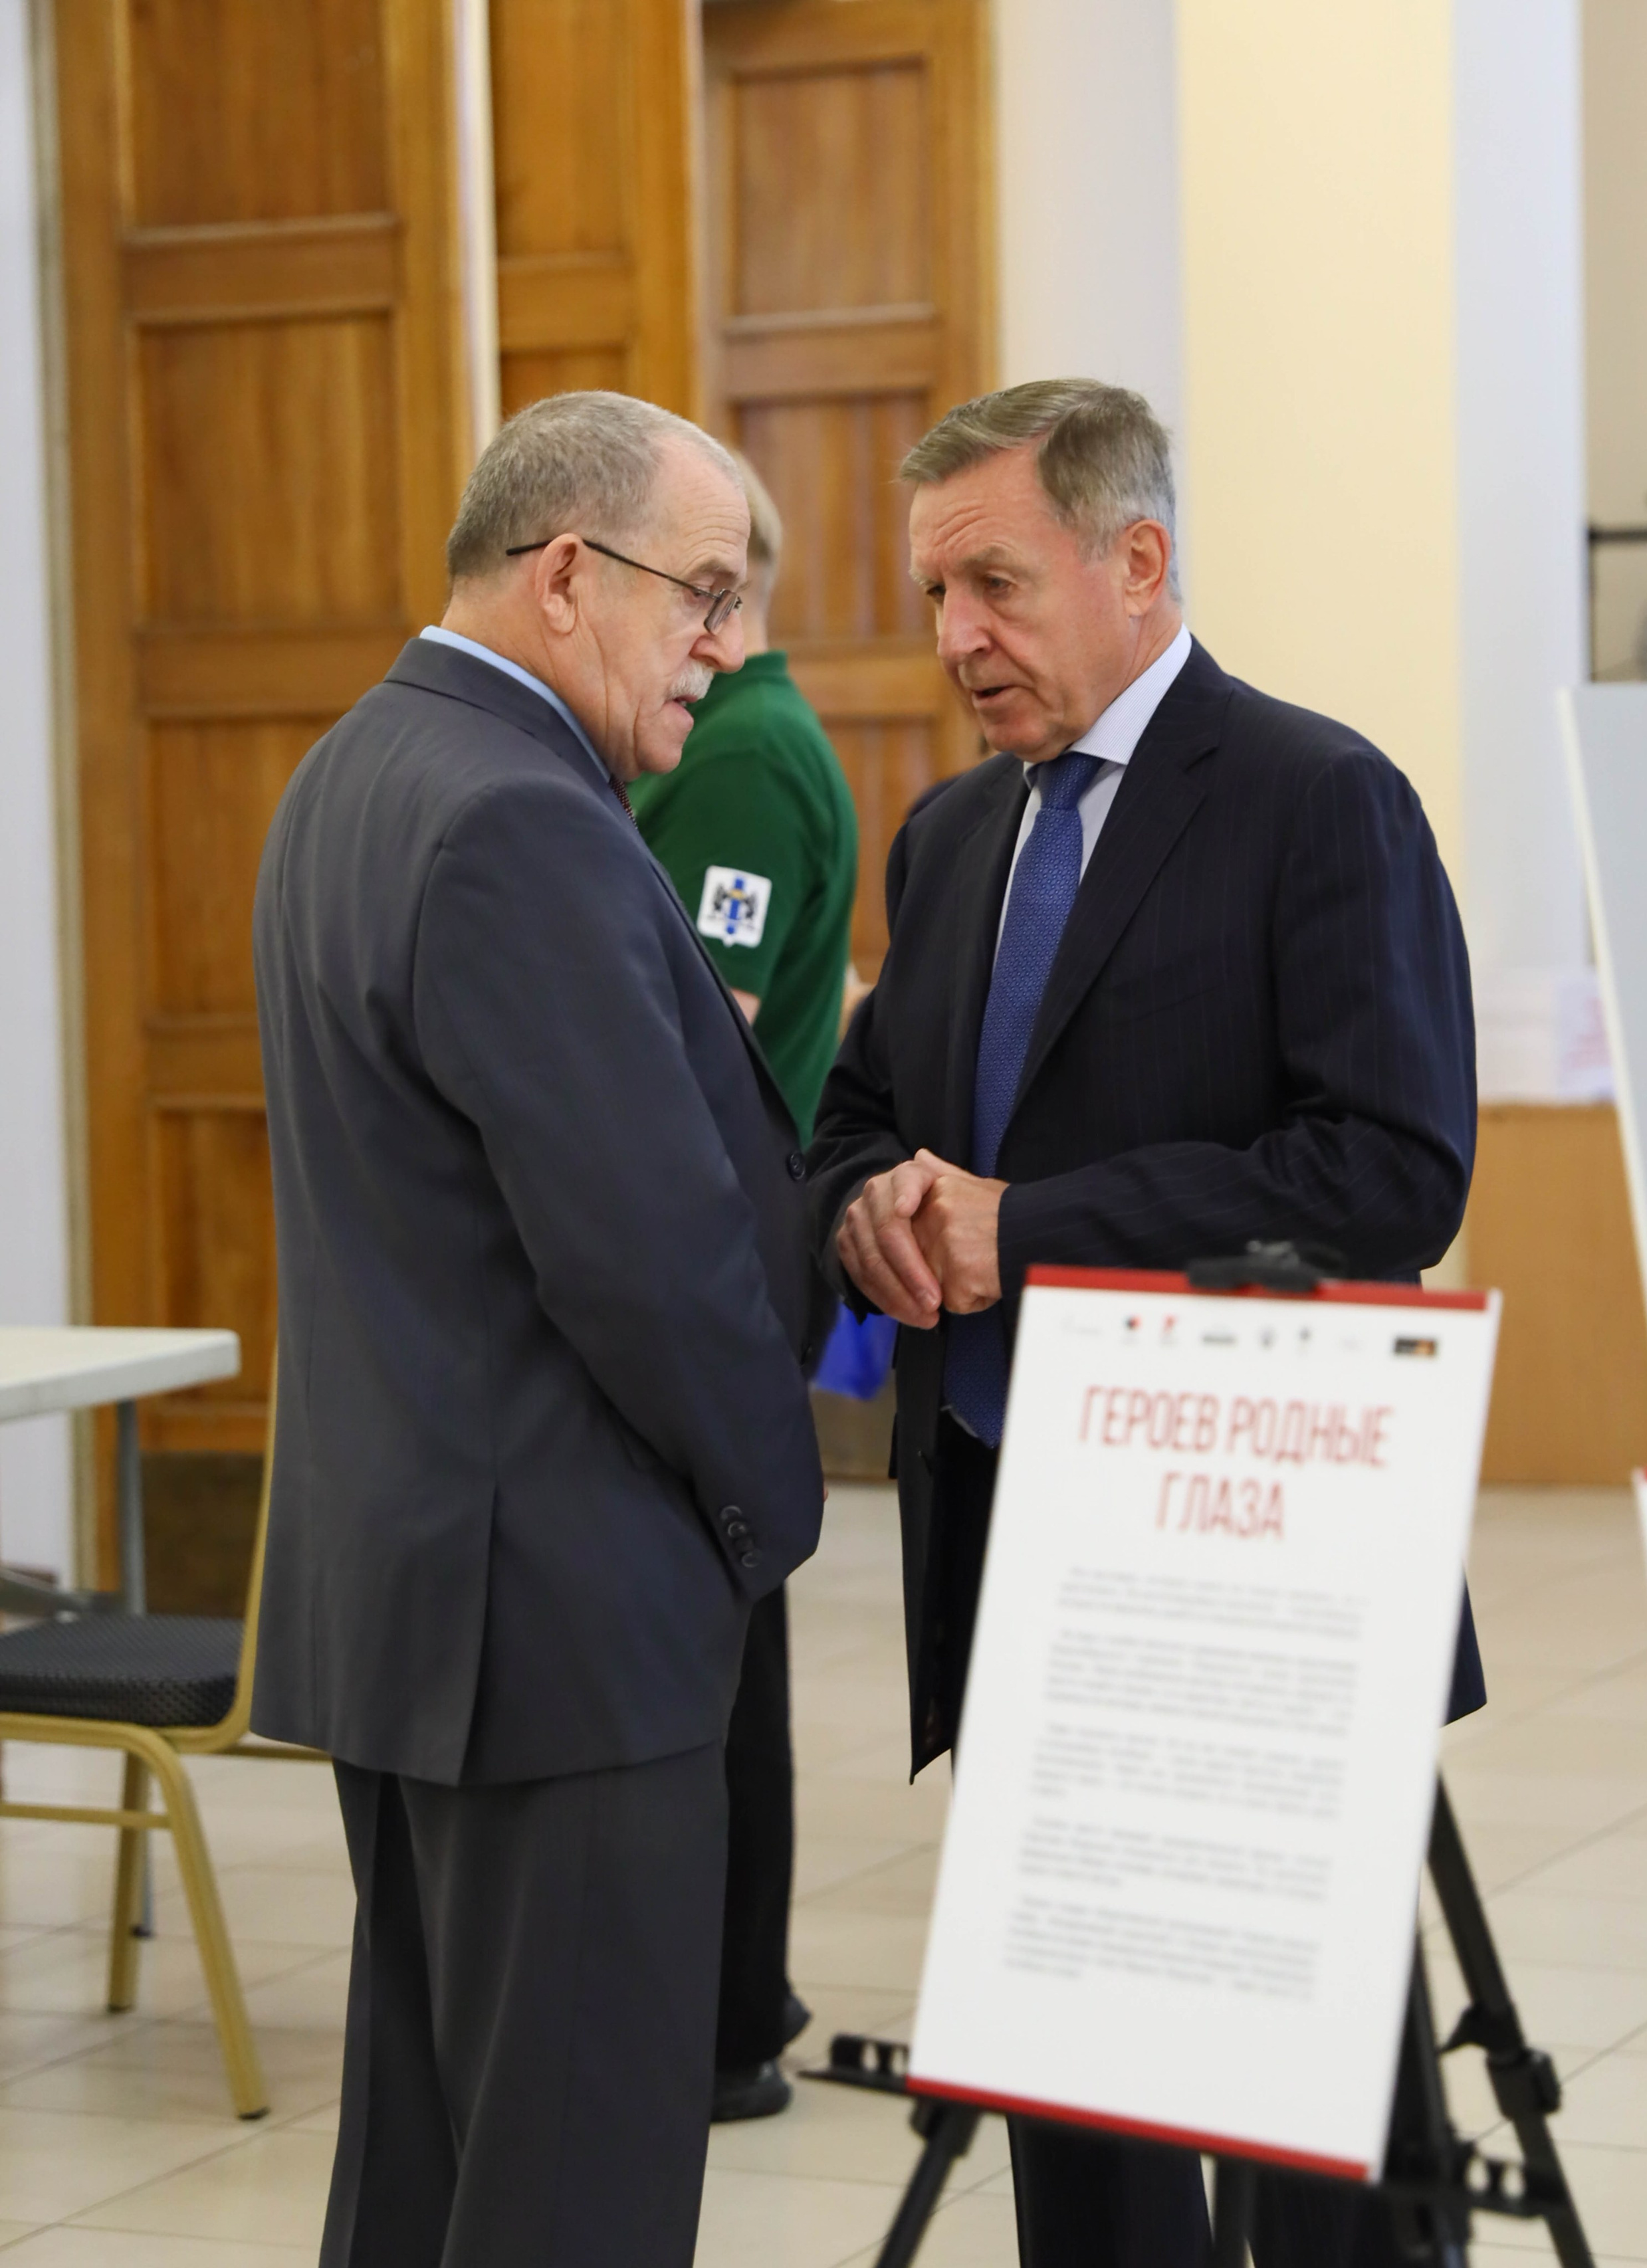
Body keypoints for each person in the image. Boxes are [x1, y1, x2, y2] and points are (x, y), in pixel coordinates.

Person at [807, 378, 1483, 2268]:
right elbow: (861, 1115)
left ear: (1140, 561)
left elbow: (1387, 1169)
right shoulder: (950, 839)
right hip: (1014, 1527)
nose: (958, 638)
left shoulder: (1314, 796)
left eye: (998, 585)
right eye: (939, 592)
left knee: (1318, 2126)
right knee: (1081, 2113)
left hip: (1251, 1547)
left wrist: (1037, 1228)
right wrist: (869, 1205)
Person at [252, 390, 825, 2268]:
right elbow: (647, 1259)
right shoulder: (524, 818)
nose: (727, 647)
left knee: (427, 2175)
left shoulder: (353, 770)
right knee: (570, 2186)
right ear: (571, 574)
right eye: (705, 594)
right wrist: (772, 1509)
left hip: (424, 1608)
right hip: (564, 1635)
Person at [630, 449, 857, 2120]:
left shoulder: (736, 755)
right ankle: (729, 2000)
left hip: (715, 1232)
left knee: (722, 1669)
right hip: (730, 1231)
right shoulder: (756, 739)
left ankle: (722, 2013)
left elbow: (687, 1017)